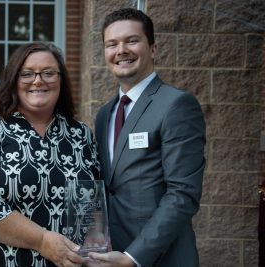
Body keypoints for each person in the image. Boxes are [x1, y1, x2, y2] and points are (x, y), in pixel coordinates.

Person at [0, 42, 100, 267]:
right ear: (13, 81)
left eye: (48, 73)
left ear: (61, 80)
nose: (38, 80)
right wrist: (42, 240)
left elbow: (92, 206)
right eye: (26, 74)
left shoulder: (80, 135)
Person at [88, 8, 206, 267]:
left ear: (152, 48)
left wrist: (133, 257)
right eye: (112, 44)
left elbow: (183, 194)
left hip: (161, 257)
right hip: (110, 256)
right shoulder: (105, 114)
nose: (121, 50)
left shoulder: (176, 105)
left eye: (132, 40)